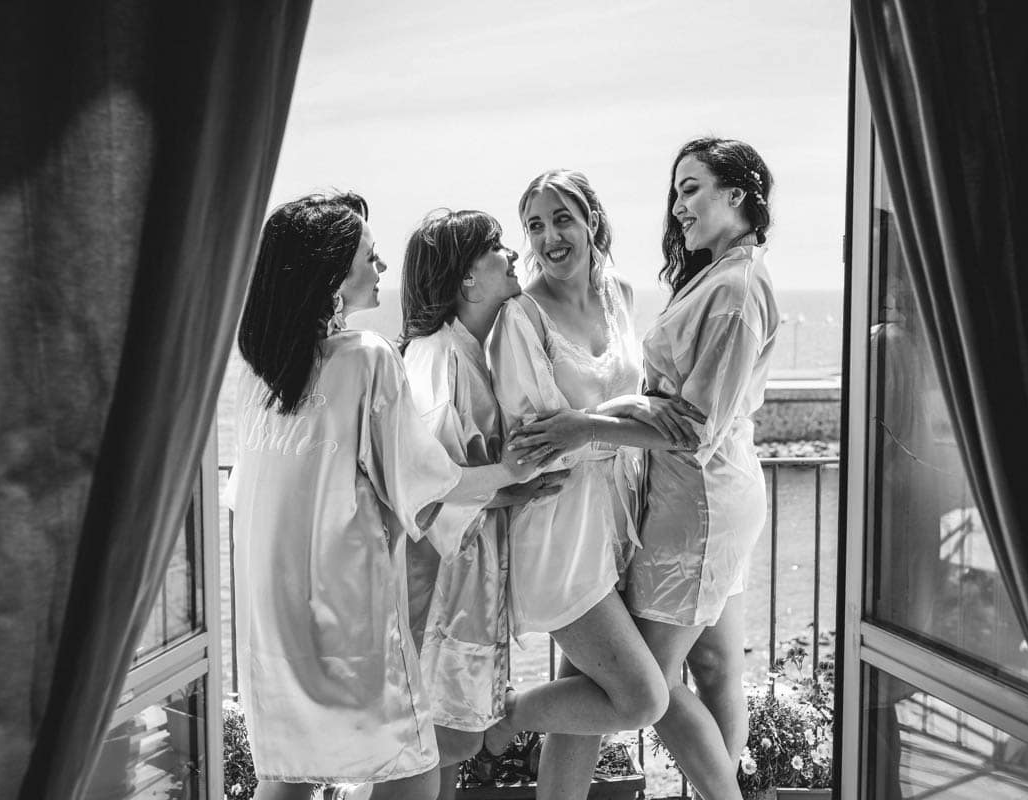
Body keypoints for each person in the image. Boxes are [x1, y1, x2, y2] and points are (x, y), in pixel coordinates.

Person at [230, 192, 542, 800]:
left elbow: (248, 497)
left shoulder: (256, 376)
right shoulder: (367, 359)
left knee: (287, 777)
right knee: (413, 775)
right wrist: (511, 471)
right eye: (369, 257)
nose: (381, 270)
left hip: (270, 619)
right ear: (330, 274)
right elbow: (431, 487)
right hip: (350, 620)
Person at [510, 139, 779, 799]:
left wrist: (586, 423)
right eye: (676, 190)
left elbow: (693, 424)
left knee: (644, 688)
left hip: (697, 500)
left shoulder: (734, 289)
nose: (679, 204)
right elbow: (675, 402)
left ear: (736, 194)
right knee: (710, 667)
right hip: (683, 494)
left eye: (693, 188)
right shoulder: (719, 275)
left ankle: (498, 722)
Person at [484, 169, 700, 798]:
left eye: (562, 219)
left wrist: (587, 425)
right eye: (535, 225)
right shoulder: (520, 318)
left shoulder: (621, 294)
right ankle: (507, 716)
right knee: (639, 698)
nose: (550, 236)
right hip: (558, 531)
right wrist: (604, 424)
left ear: (592, 221)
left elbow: (638, 403)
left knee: (581, 720)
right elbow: (534, 443)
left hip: (619, 519)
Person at [399, 208, 569, 799]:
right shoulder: (437, 361)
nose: (515, 253)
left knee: (448, 750)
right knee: (433, 752)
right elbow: (424, 486)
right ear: (466, 279)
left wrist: (508, 490)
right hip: (437, 594)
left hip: (461, 586)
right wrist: (512, 478)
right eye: (496, 247)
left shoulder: (465, 351)